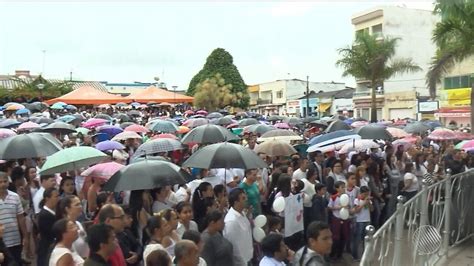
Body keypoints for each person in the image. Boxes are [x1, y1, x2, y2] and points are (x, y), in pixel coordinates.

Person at [0, 172, 27, 266]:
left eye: (5, 181)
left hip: (15, 239)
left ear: (8, 182)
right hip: (1, 242)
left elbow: (20, 218)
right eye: (0, 182)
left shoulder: (15, 197)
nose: (3, 184)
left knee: (16, 262)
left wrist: (25, 236)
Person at [223, 188, 253, 266]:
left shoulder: (242, 213)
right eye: (243, 198)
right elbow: (233, 245)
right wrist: (242, 262)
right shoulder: (231, 221)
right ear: (236, 202)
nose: (246, 199)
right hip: (241, 262)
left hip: (248, 257)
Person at [327, 181, 350, 261]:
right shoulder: (333, 197)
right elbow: (329, 207)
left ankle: (340, 254)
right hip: (336, 218)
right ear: (337, 188)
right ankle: (333, 254)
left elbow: (349, 206)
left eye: (344, 187)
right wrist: (338, 207)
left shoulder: (347, 196)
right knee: (336, 237)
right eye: (342, 187)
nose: (344, 189)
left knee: (344, 236)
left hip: (345, 218)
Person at [37, 187, 60, 266]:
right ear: (47, 198)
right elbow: (51, 234)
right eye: (56, 196)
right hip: (47, 249)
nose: (58, 198)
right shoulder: (44, 215)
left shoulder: (55, 212)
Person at [351, 186, 373, 261]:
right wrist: (363, 203)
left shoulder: (368, 200)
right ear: (361, 193)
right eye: (365, 194)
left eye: (367, 194)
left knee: (366, 239)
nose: (366, 195)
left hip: (367, 220)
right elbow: (357, 210)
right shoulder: (356, 200)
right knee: (357, 239)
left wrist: (369, 203)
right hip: (359, 221)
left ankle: (365, 254)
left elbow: (372, 210)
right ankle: (355, 256)